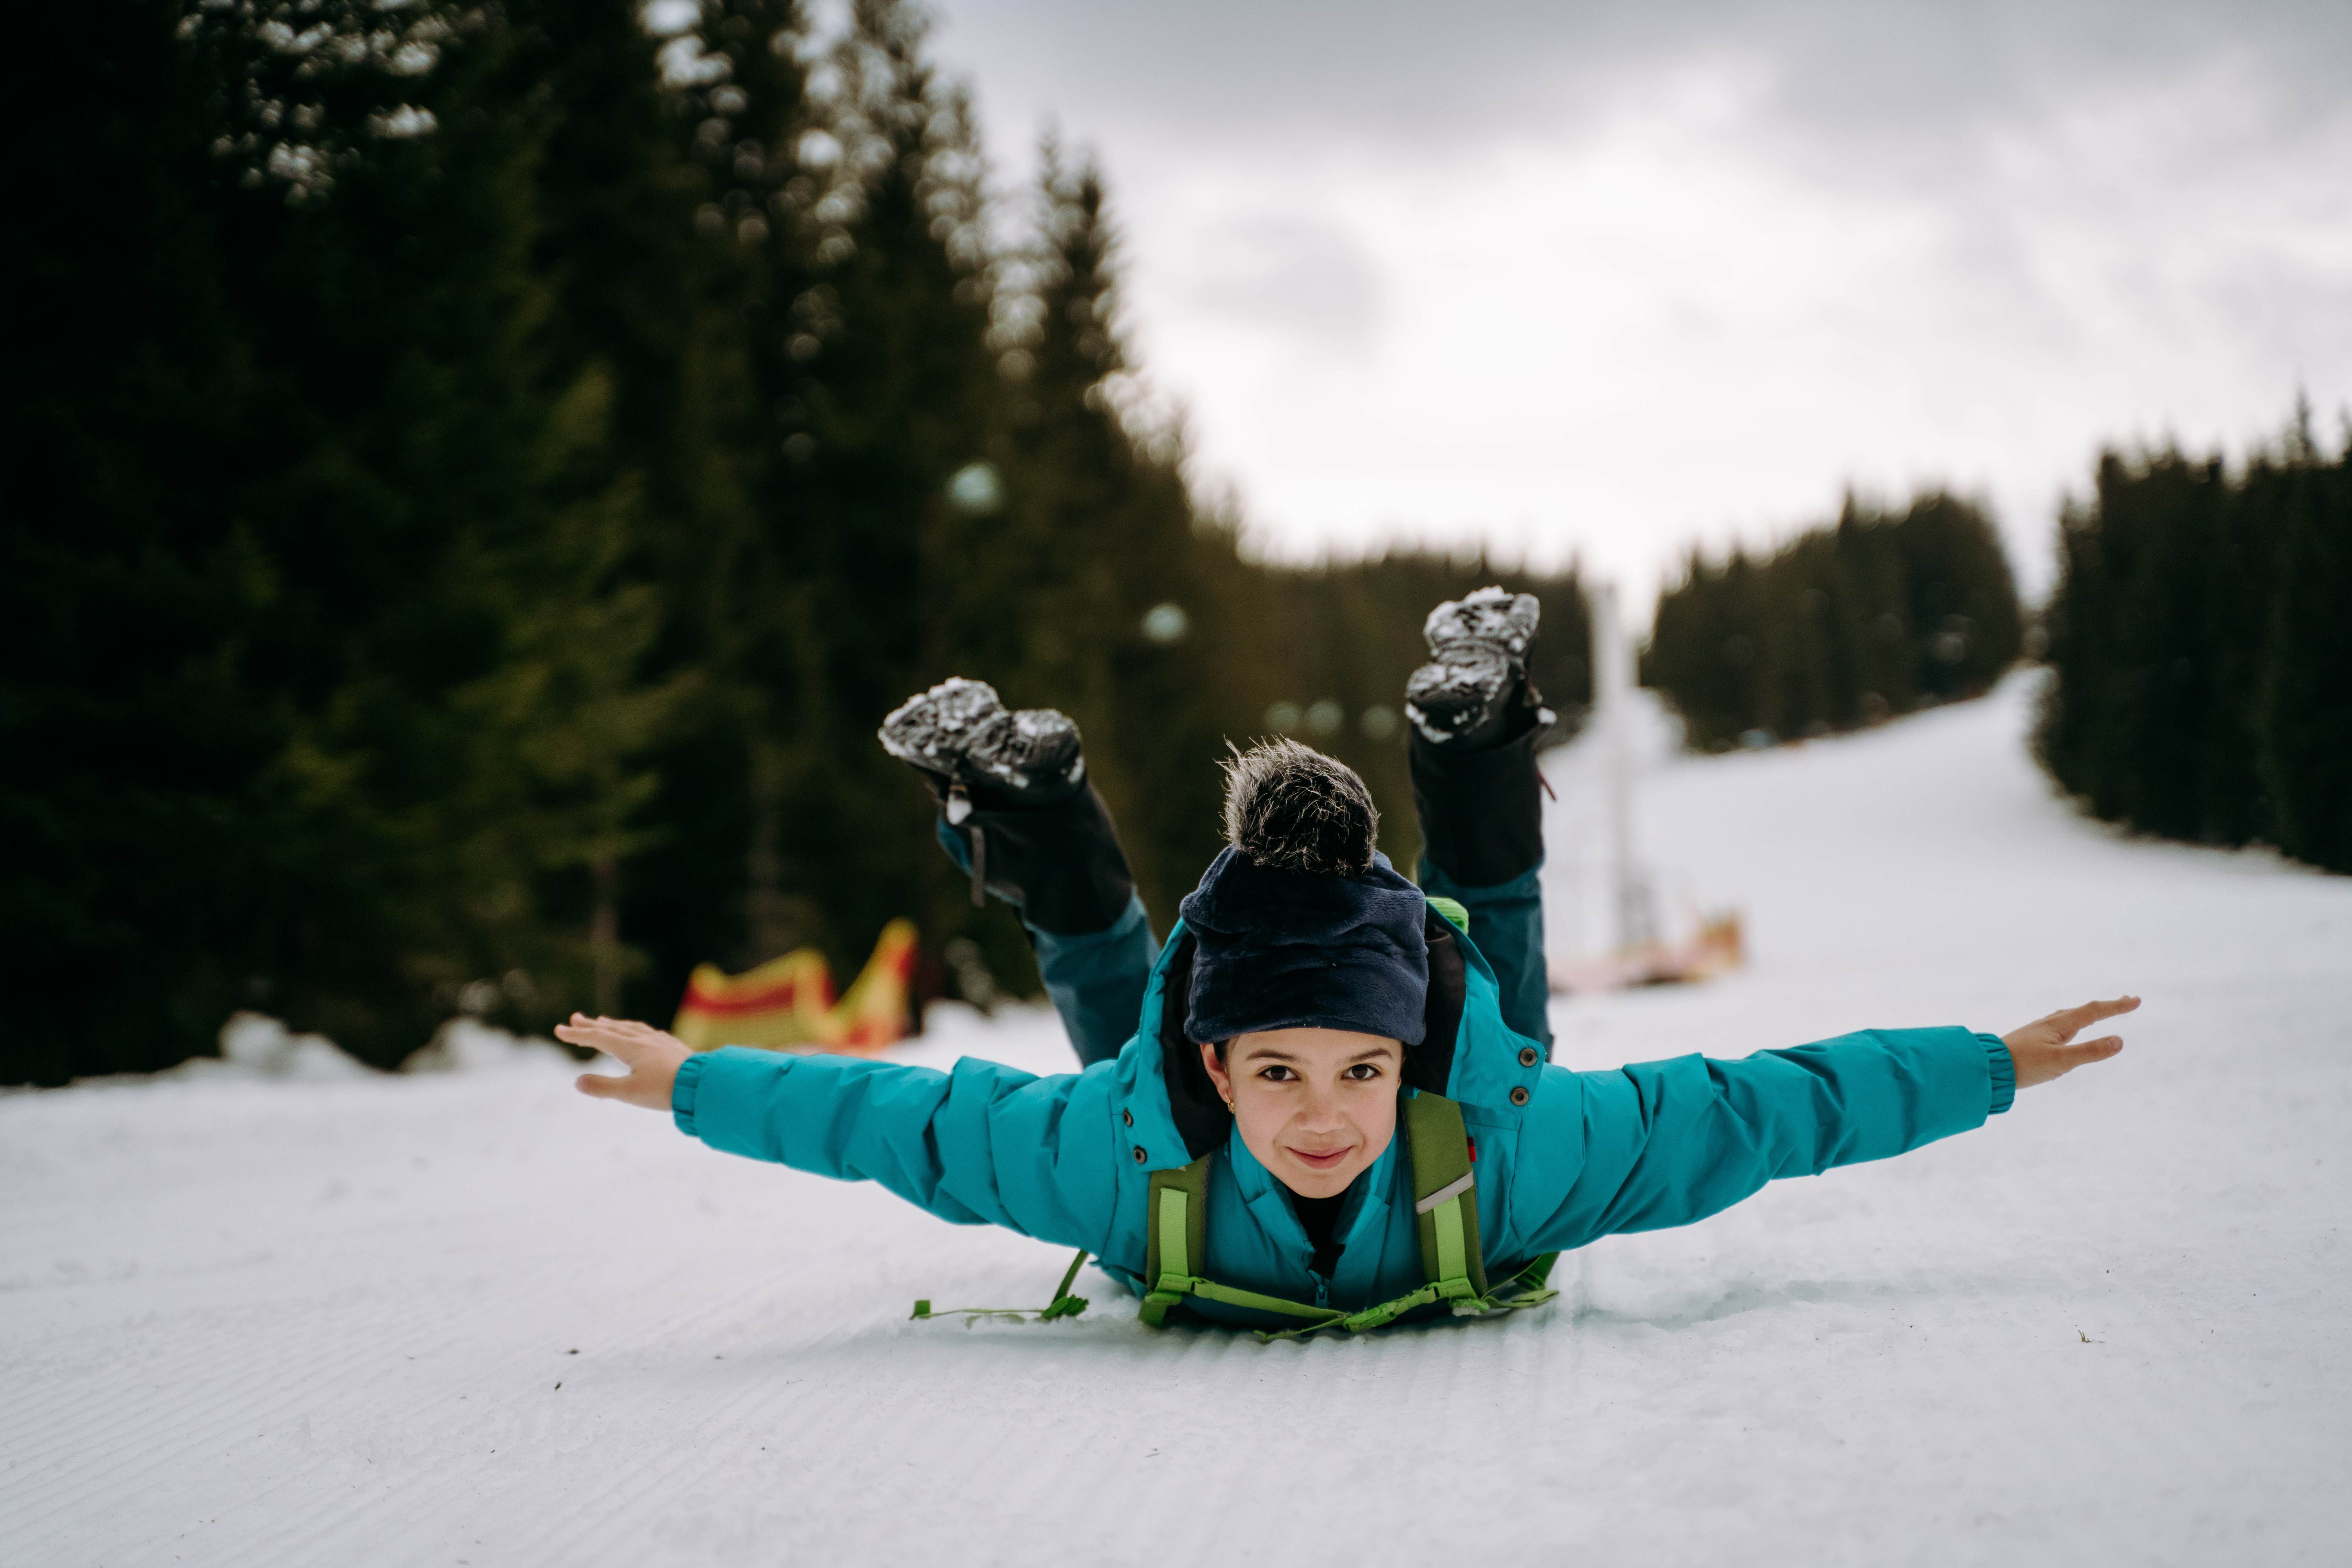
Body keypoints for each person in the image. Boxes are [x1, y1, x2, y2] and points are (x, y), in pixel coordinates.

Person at [561, 589, 2136, 1332]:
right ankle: (1041, 809)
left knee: (1489, 990)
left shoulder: (1514, 1145)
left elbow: (1761, 1106)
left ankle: (1454, 747)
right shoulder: (1127, 1143)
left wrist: (1985, 1063)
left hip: (1421, 1017)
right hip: (1181, 1044)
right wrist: (696, 1082)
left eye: (1362, 1073)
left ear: (1400, 1063)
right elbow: (900, 1123)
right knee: (1133, 1017)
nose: (1325, 1115)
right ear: (1223, 1068)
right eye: (1282, 1076)